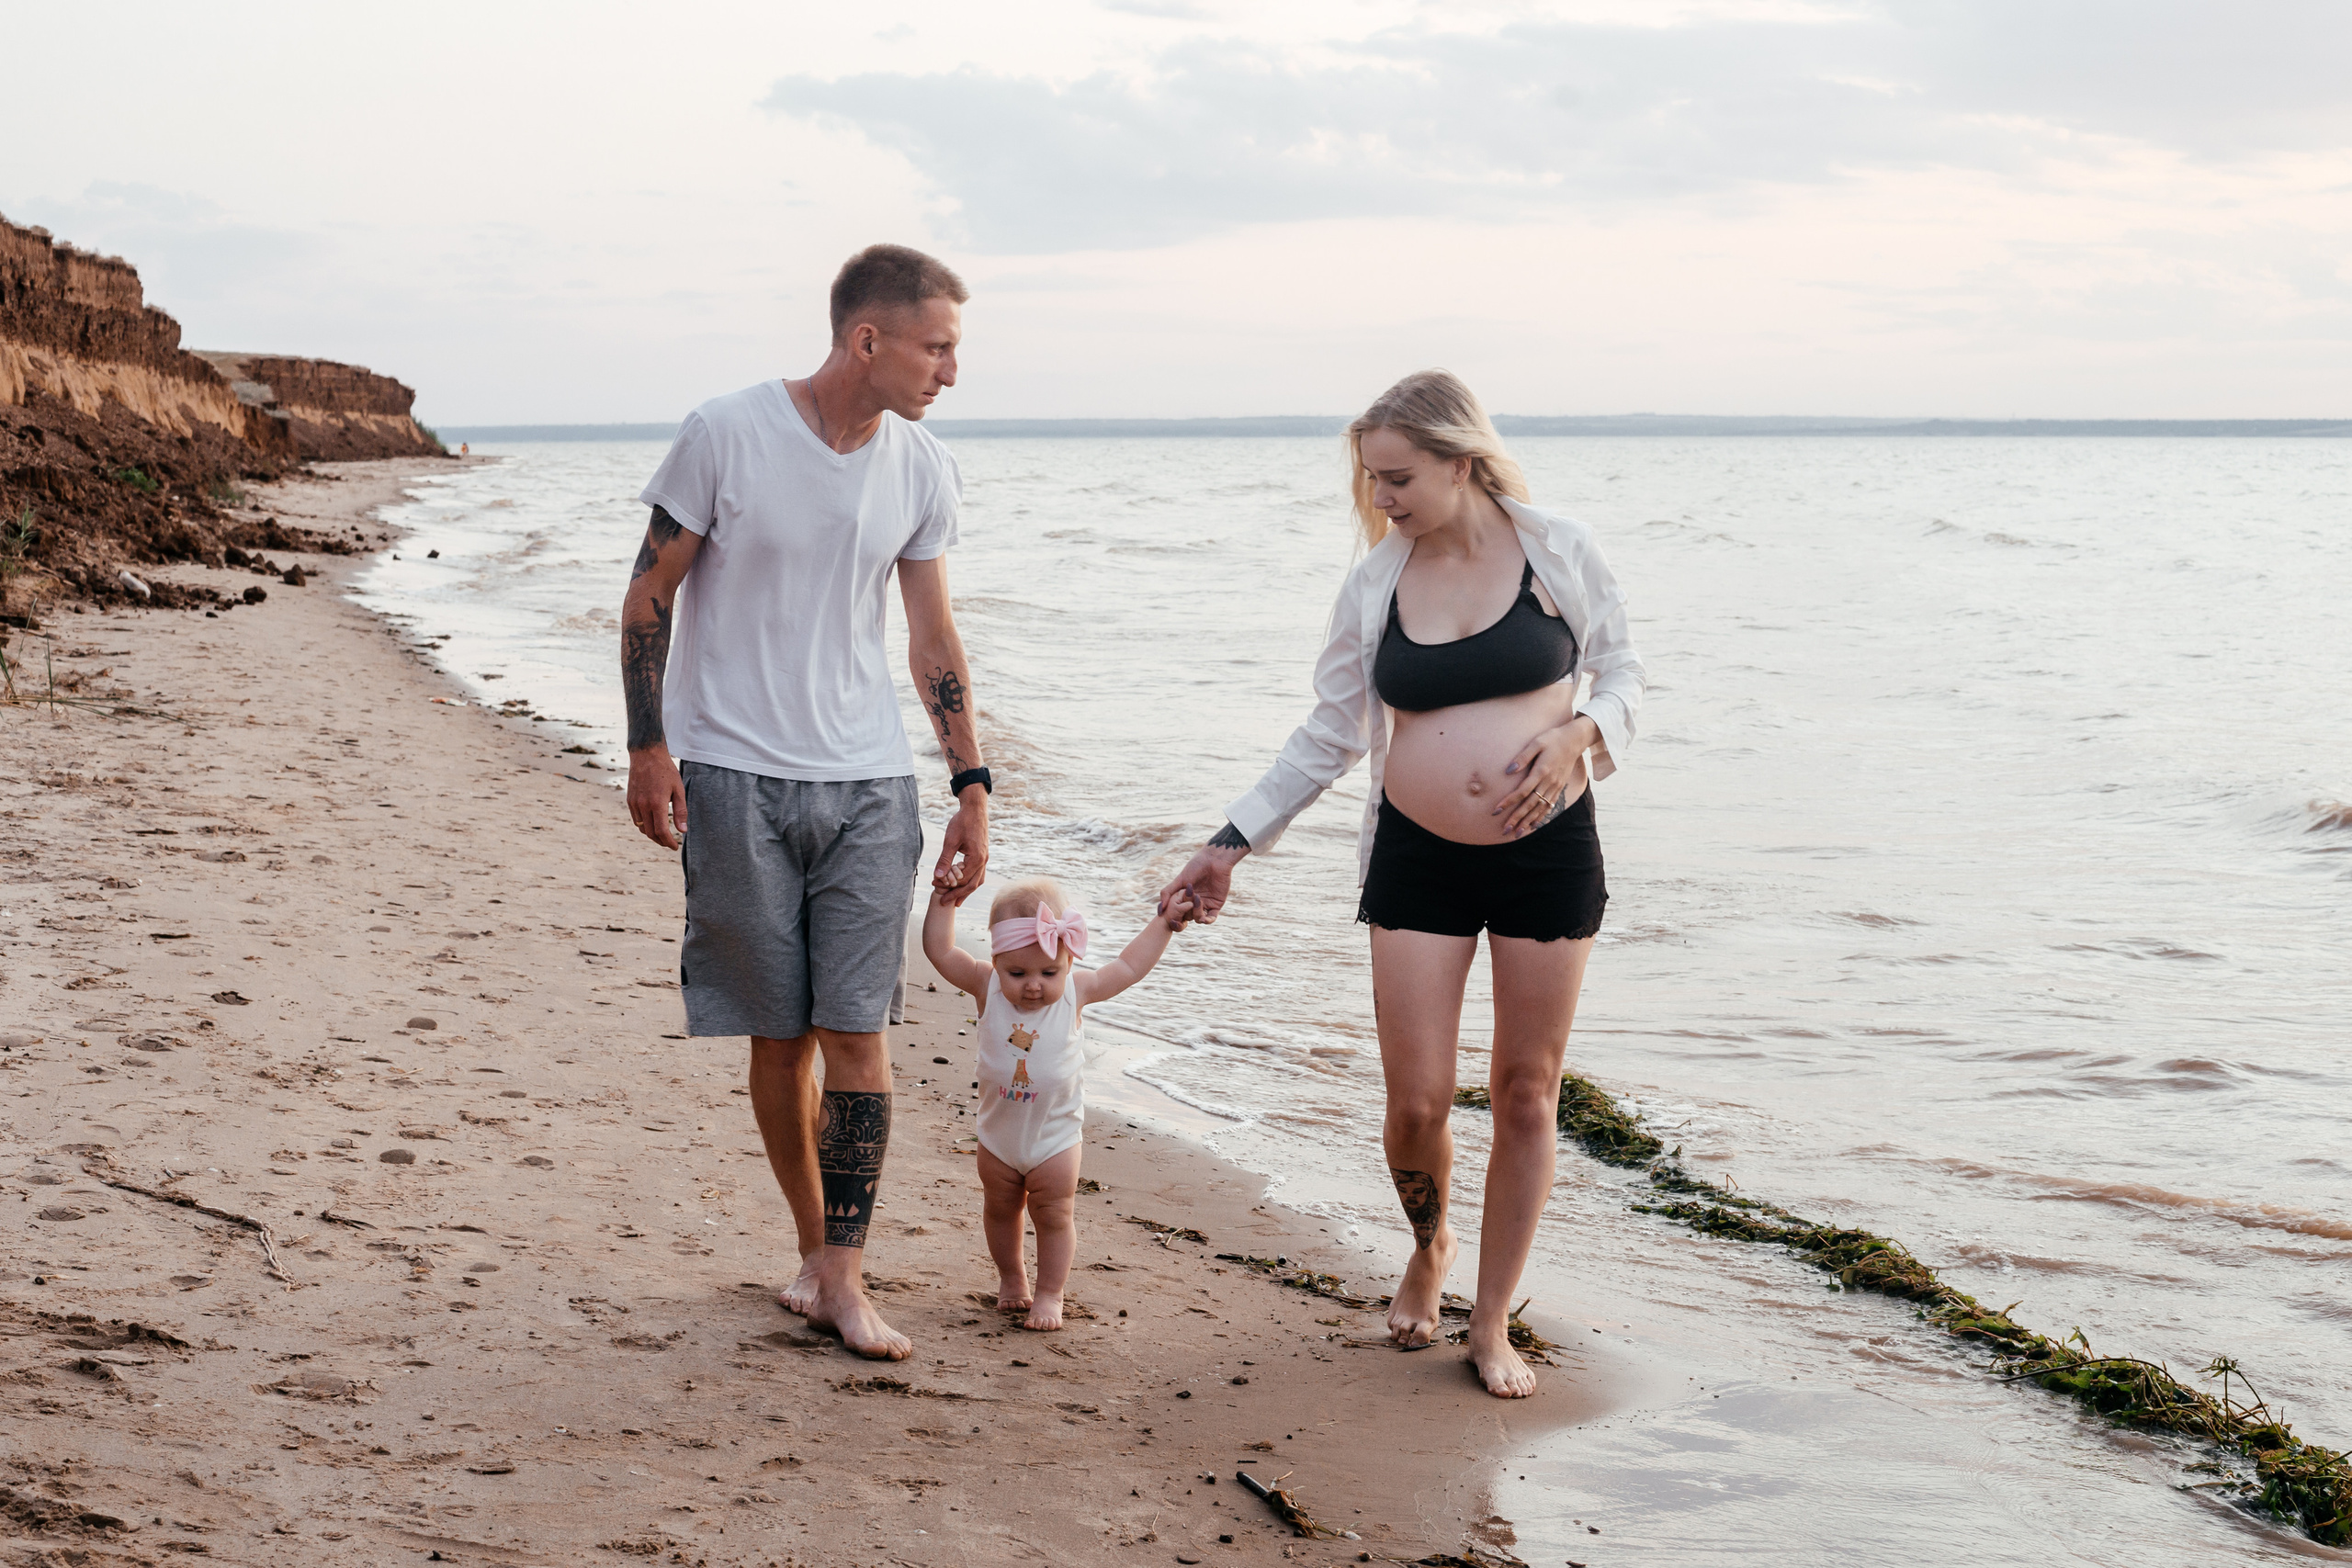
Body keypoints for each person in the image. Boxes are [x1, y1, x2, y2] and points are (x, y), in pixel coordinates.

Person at [1157, 369, 1646, 1398]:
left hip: (1547, 853)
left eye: (1398, 477)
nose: (1382, 499)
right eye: (1372, 480)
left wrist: (1582, 734)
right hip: (1416, 857)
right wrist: (1229, 842)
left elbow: (1631, 672)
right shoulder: (1376, 583)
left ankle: (1492, 1319)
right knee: (1417, 1100)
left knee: (1525, 1092)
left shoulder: (1556, 549)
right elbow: (1331, 734)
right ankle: (1429, 1241)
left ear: (1459, 460)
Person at [621, 243, 992, 1361]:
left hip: (870, 782)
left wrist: (970, 780)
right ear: (865, 340)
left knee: (858, 1034)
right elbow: (648, 599)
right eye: (937, 348)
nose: (950, 373)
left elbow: (931, 637)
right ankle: (815, 1254)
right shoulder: (726, 433)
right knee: (780, 1039)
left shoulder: (921, 466)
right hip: (733, 771)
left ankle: (843, 1271)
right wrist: (649, 748)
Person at [921, 877, 1193, 1331]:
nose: (1033, 986)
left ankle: (1050, 1292)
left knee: (1053, 1213)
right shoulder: (984, 986)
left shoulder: (1076, 992)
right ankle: (1012, 1279)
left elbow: (1128, 967)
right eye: (1018, 973)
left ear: (1067, 961)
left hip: (1055, 1136)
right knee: (1000, 1207)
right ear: (996, 962)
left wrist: (1163, 923)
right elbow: (940, 952)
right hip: (997, 1134)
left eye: (1048, 973)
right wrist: (943, 903)